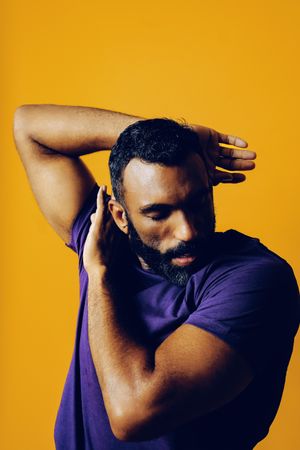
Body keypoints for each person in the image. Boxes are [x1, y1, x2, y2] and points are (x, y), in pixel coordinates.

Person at [14, 105, 299, 450]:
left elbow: (133, 412)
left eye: (197, 202)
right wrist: (156, 135)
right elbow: (30, 128)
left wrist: (100, 276)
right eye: (158, 213)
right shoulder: (105, 237)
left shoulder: (256, 280)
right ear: (120, 216)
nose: (187, 231)